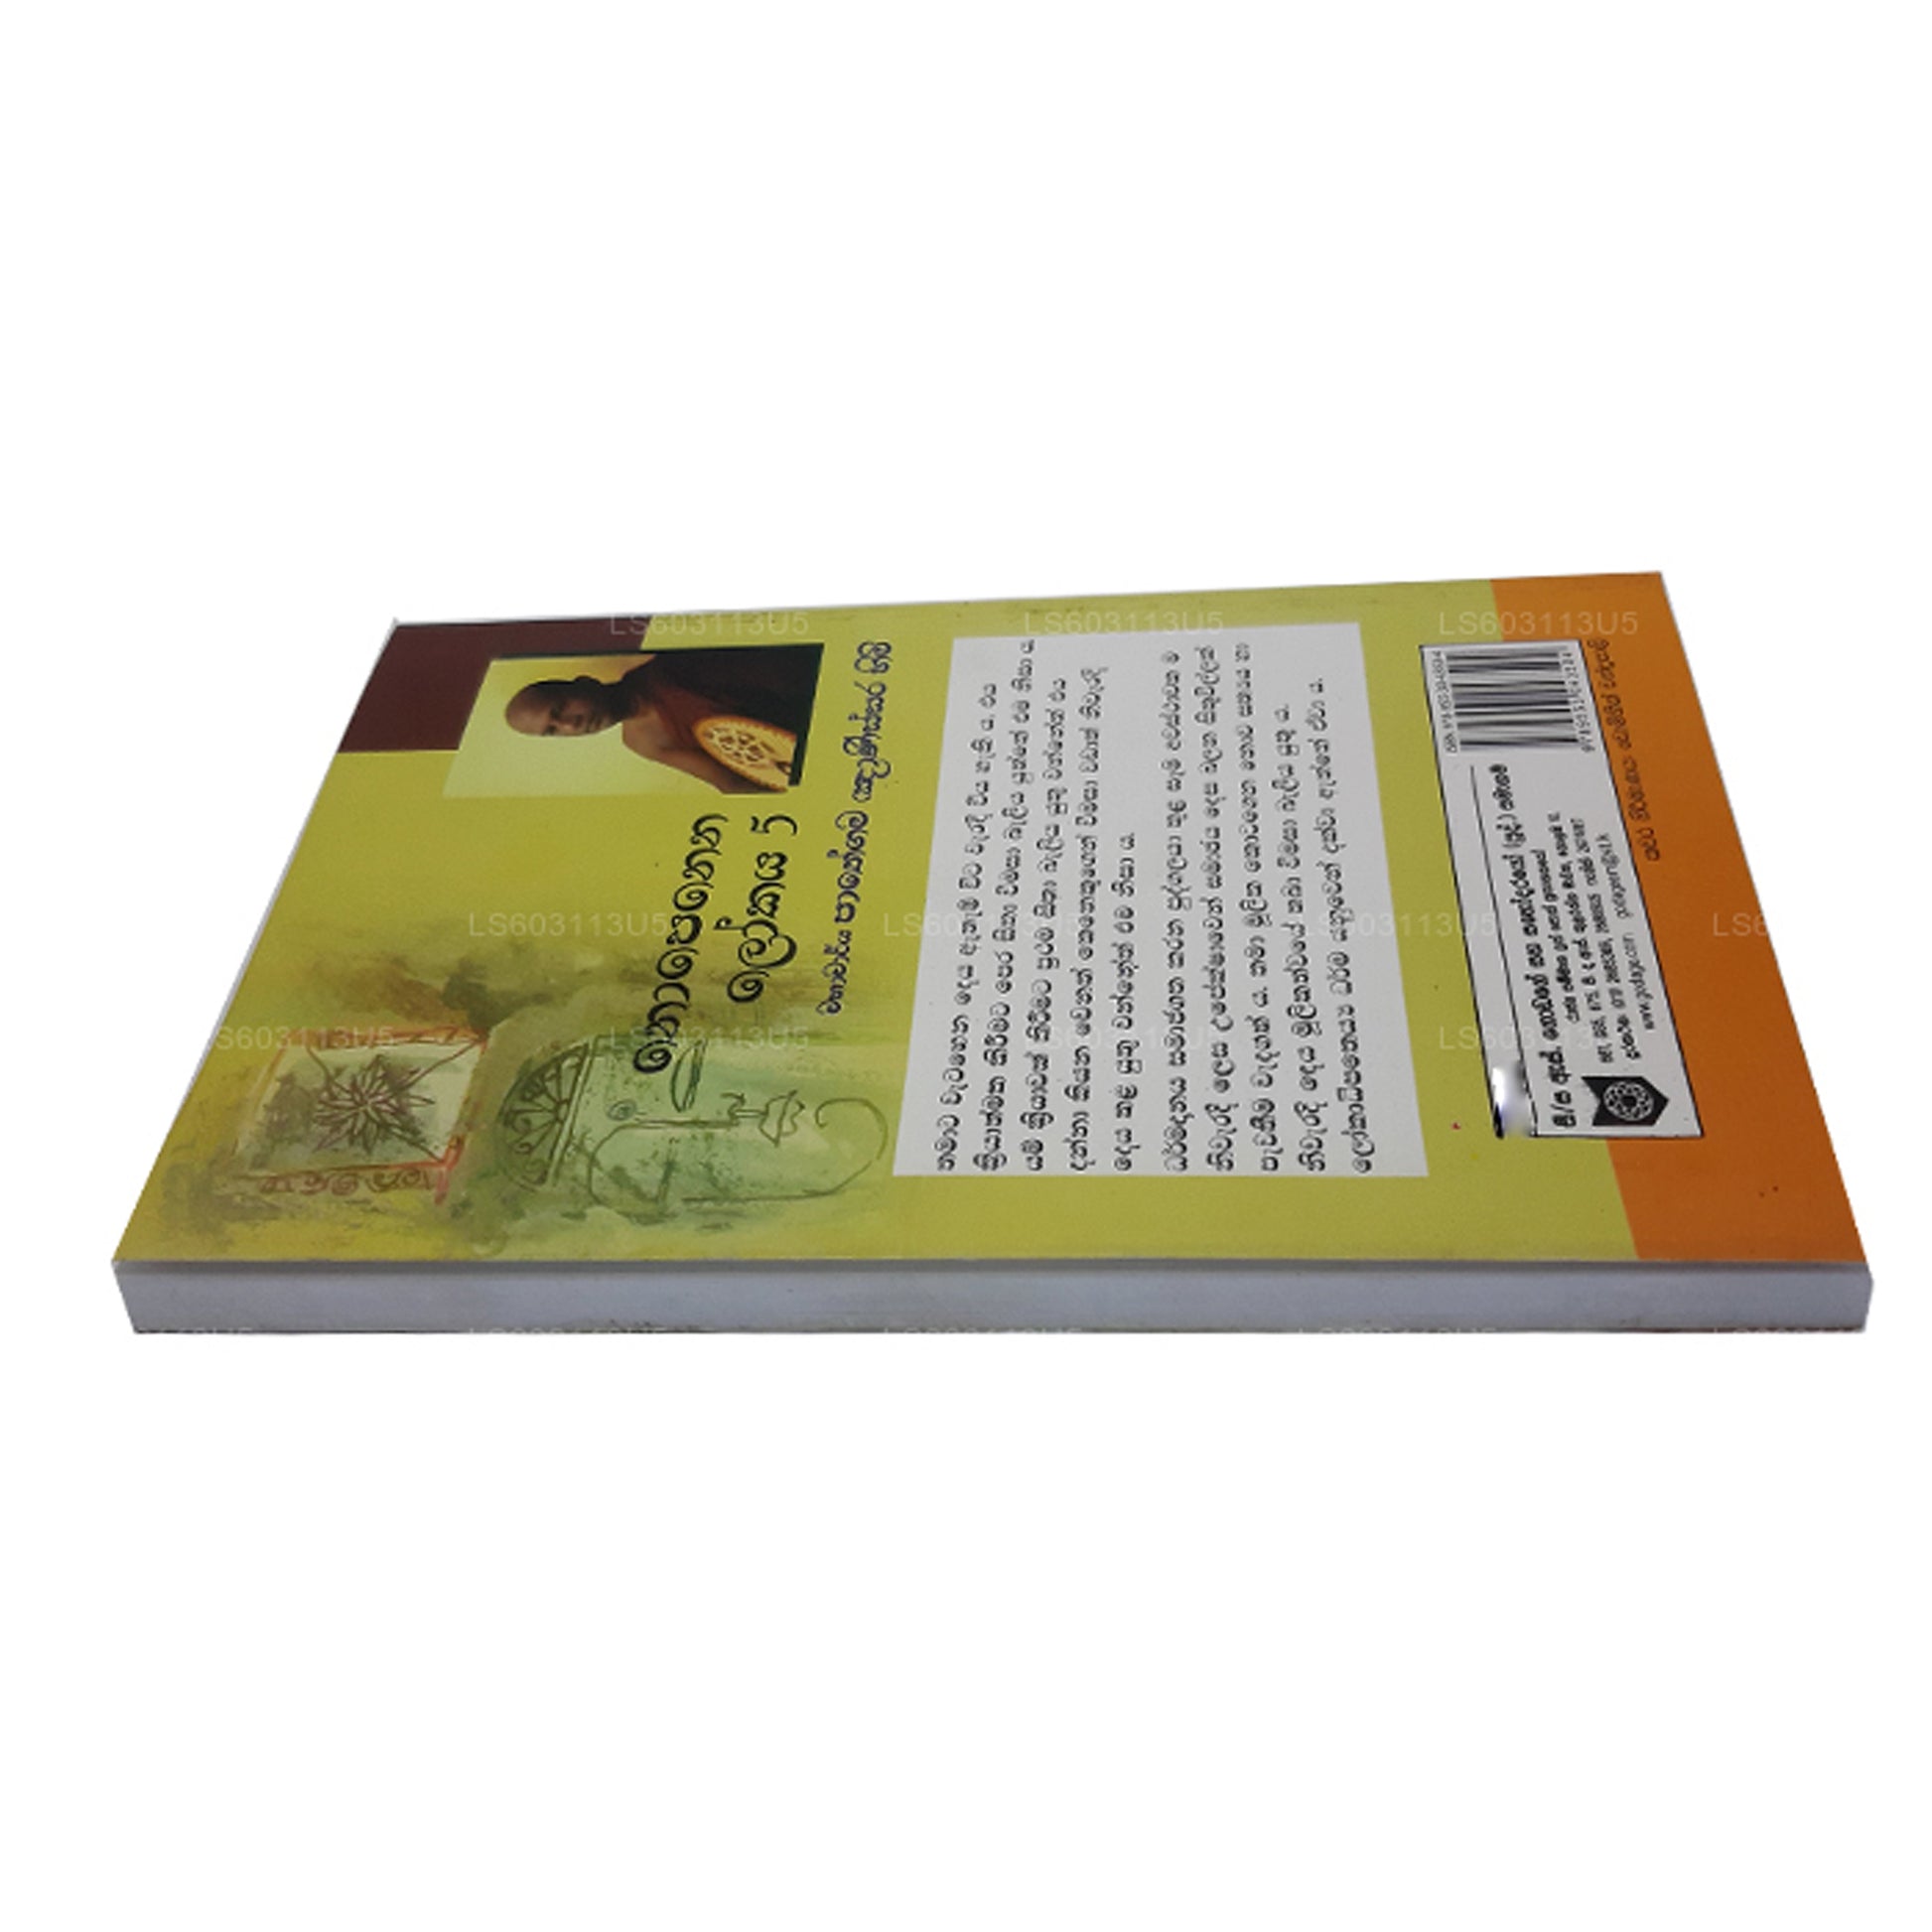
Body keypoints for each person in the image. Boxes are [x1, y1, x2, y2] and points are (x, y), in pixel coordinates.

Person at [504, 646, 816, 793]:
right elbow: (729, 782)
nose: (571, 725)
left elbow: (793, 678)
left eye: (560, 709)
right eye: (553, 731)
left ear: (585, 683)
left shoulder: (673, 667)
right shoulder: (640, 741)